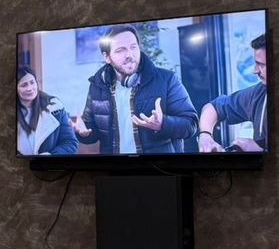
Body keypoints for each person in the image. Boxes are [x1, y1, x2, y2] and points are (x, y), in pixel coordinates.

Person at [71, 23, 198, 154]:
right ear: (107, 57)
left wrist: (163, 124)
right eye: (120, 50)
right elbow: (93, 133)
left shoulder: (167, 80)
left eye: (133, 47)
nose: (129, 55)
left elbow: (191, 125)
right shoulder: (98, 85)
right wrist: (83, 133)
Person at [198, 33, 268, 152]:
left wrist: (260, 150)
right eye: (256, 63)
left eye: (261, 65)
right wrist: (205, 136)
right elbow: (213, 107)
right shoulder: (258, 93)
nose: (255, 71)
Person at [16, 66, 78, 156]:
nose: (30, 88)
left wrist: (50, 156)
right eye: (24, 85)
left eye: (32, 82)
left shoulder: (55, 108)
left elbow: (70, 142)